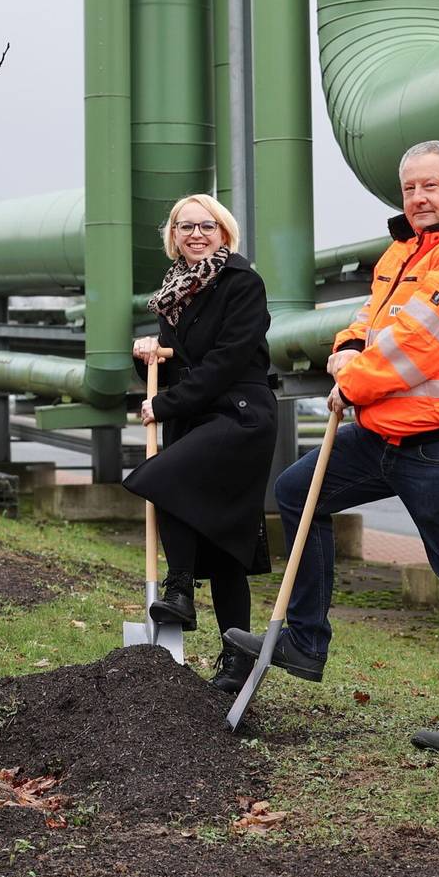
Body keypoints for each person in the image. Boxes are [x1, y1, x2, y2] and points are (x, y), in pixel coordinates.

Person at [225, 140, 439, 757]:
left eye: (431, 186)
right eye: (410, 188)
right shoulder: (406, 249)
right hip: (388, 431)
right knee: (295, 493)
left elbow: (418, 345)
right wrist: (347, 347)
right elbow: (372, 319)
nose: (418, 198)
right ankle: (306, 641)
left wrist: (351, 377)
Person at [120, 194, 276, 693]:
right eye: (185, 227)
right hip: (195, 416)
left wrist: (165, 406)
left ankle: (180, 588)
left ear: (223, 233)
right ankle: (237, 662)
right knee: (224, 543)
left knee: (161, 478)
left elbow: (227, 360)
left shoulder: (242, 283)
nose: (196, 234)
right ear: (173, 236)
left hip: (239, 415)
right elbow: (177, 363)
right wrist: (147, 355)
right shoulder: (174, 292)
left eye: (206, 226)